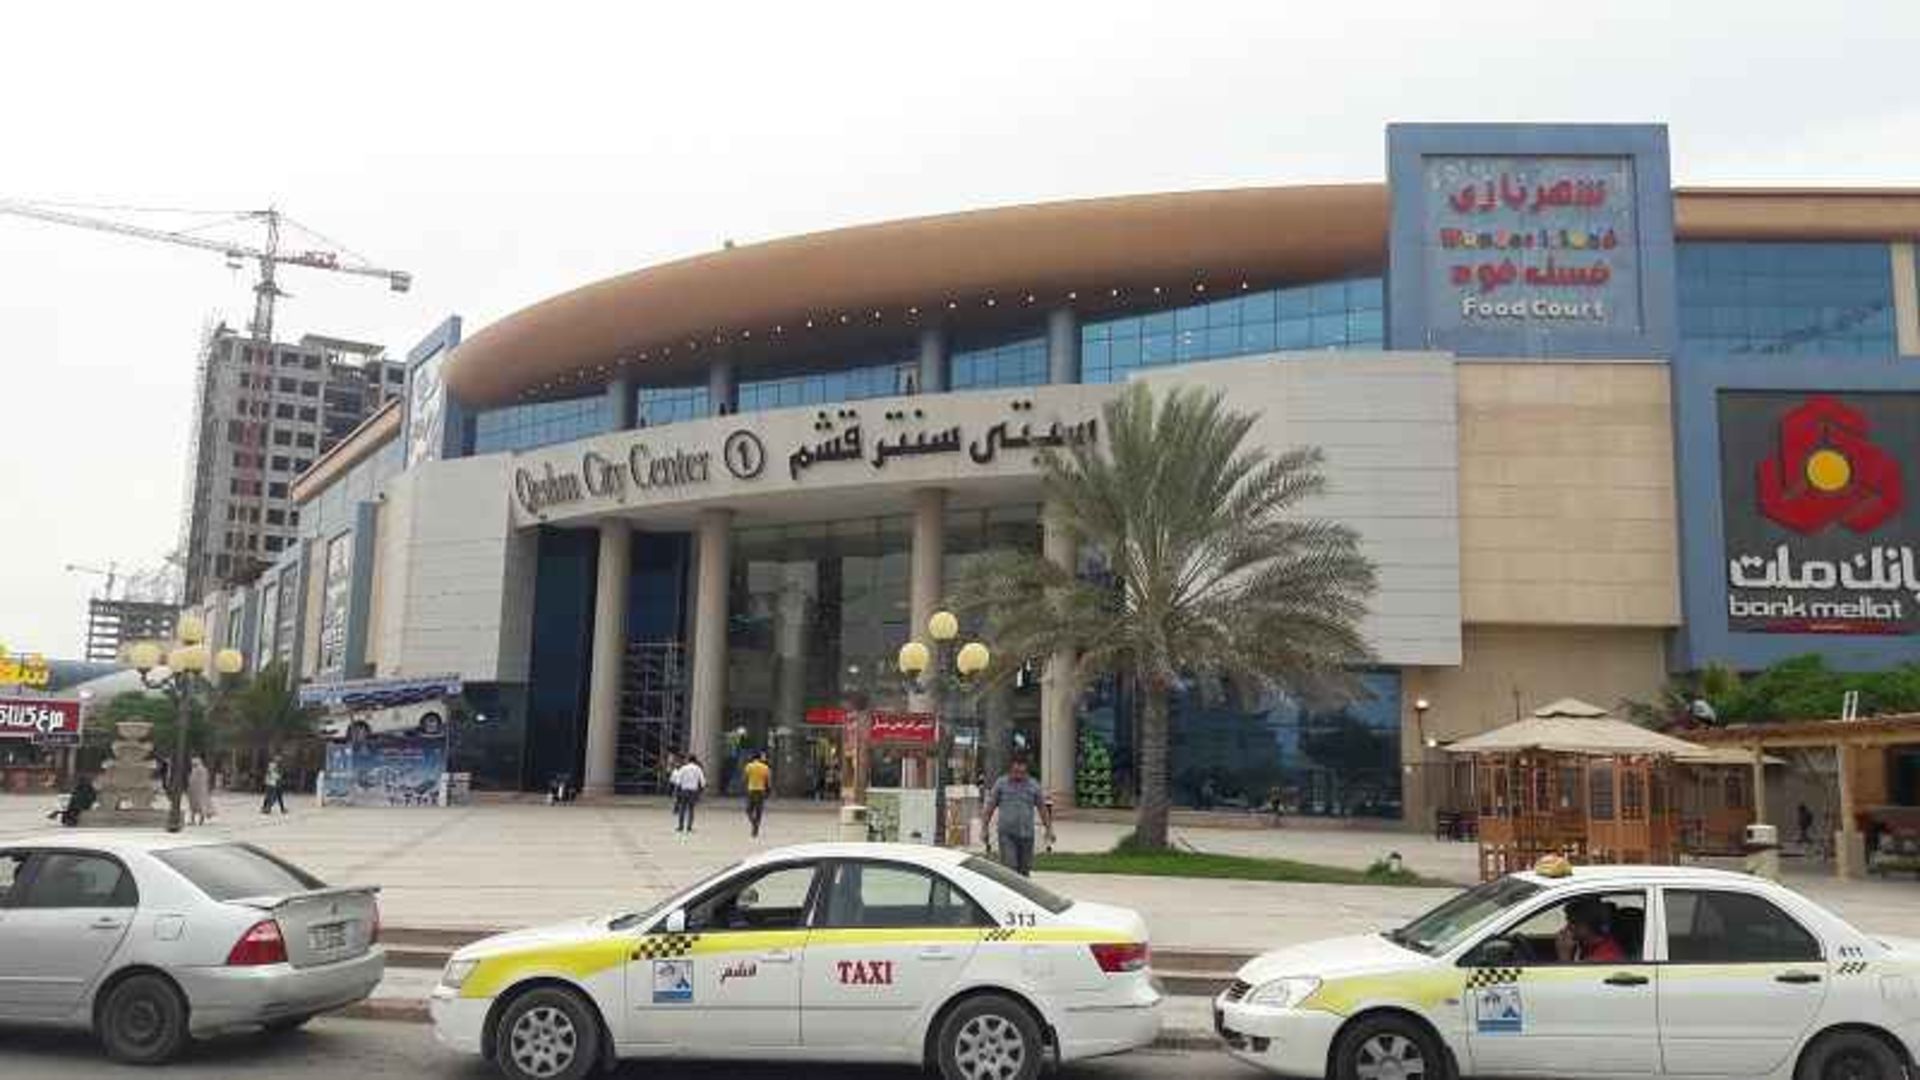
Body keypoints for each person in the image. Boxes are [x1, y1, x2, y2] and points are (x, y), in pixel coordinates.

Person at [982, 754, 1053, 877]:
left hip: (1027, 835)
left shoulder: (1034, 785)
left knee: (1024, 871)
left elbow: (1042, 808)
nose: (1018, 775)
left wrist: (1049, 829)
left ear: (1026, 770)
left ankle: (1021, 895)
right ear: (1010, 769)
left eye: (1022, 772)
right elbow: (990, 807)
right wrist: (984, 829)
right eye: (1015, 772)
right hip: (1007, 835)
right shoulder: (1001, 784)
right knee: (1010, 868)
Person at [1555, 896, 1627, 963]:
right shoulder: (1587, 945)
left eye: (1574, 922)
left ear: (1590, 924)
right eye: (1569, 921)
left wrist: (1564, 955)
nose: (1568, 926)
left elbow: (1571, 975)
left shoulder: (1604, 956)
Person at [670, 754, 706, 833]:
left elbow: (678, 781)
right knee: (691, 809)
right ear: (695, 760)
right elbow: (702, 781)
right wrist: (700, 791)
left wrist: (676, 791)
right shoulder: (698, 769)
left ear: (688, 760)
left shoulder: (683, 768)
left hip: (684, 790)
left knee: (682, 809)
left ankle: (681, 826)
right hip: (693, 791)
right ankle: (689, 827)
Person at [742, 750, 772, 838]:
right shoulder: (765, 768)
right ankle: (756, 827)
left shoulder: (749, 766)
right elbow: (768, 782)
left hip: (751, 790)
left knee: (748, 810)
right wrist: (768, 791)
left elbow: (745, 778)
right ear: (760, 758)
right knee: (759, 811)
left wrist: (745, 788)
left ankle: (753, 822)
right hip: (761, 791)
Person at [187, 756, 214, 825]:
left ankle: (199, 820)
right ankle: (195, 820)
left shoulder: (199, 770)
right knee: (195, 807)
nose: (193, 764)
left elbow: (196, 780)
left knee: (198, 806)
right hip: (198, 791)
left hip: (199, 791)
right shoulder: (198, 770)